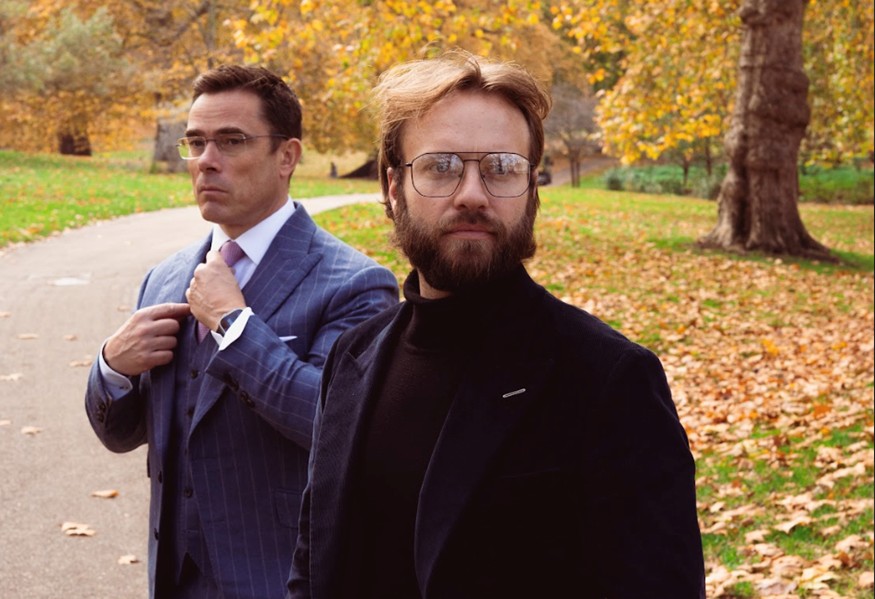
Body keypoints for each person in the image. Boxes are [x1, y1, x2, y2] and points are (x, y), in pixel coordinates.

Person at [289, 53, 705, 598]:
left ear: (532, 188)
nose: (471, 194)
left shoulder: (606, 379)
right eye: (440, 166)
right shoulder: (353, 357)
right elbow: (313, 562)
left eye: (501, 168)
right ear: (393, 188)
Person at [84, 64, 399, 598]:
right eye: (196, 142)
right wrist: (112, 365)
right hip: (173, 577)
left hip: (279, 579)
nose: (206, 161)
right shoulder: (164, 277)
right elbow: (120, 435)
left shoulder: (357, 285)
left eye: (231, 141)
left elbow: (336, 429)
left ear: (287, 156)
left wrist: (234, 326)